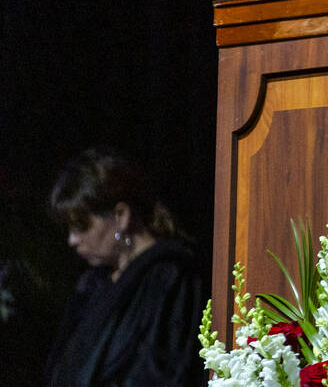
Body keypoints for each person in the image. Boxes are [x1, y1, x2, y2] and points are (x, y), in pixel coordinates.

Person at [45, 147, 208, 386]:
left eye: (81, 226)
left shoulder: (170, 278)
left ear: (121, 215)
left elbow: (165, 372)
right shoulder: (94, 285)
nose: (72, 240)